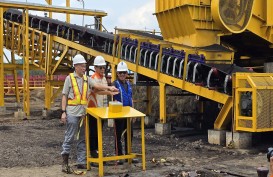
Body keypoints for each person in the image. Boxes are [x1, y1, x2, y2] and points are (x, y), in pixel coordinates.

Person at [60, 54, 118, 173]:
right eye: (82, 66)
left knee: (82, 138)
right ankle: (64, 163)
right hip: (72, 113)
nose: (84, 68)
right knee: (69, 137)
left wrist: (110, 89)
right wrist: (63, 112)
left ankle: (81, 162)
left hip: (83, 114)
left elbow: (97, 86)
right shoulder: (69, 78)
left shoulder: (87, 79)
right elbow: (64, 96)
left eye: (85, 66)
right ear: (75, 66)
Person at [113, 61, 138, 165]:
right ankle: (119, 156)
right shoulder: (115, 84)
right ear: (117, 74)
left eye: (124, 72)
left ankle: (128, 156)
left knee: (129, 135)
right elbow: (112, 98)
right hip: (119, 114)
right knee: (118, 135)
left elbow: (131, 98)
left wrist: (133, 113)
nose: (122, 74)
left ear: (127, 73)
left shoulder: (128, 84)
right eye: (120, 73)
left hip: (128, 114)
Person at [88, 56, 109, 159]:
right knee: (93, 130)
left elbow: (103, 92)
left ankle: (98, 149)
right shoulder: (93, 79)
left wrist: (109, 91)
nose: (102, 69)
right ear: (95, 68)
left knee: (99, 130)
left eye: (103, 67)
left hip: (102, 109)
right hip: (94, 109)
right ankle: (93, 150)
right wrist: (109, 90)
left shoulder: (104, 78)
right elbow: (96, 90)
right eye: (100, 68)